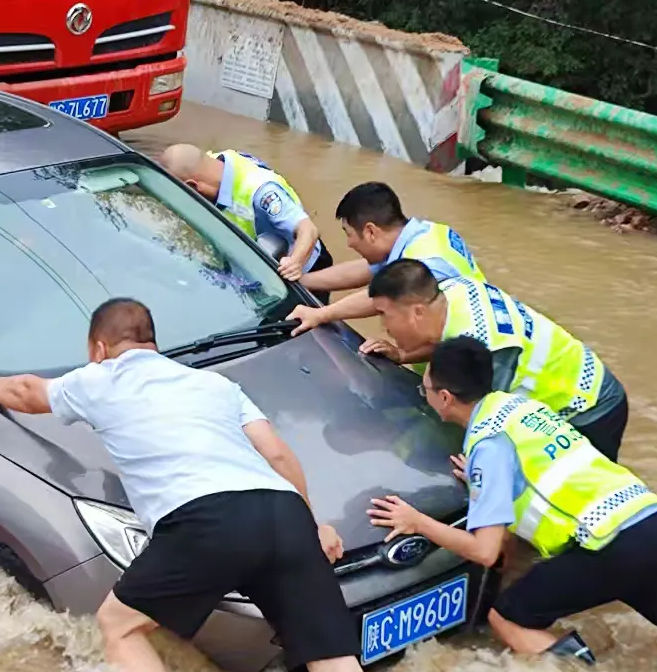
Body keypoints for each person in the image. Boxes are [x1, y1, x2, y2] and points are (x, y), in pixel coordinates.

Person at [0, 298, 398, 672]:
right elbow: (277, 453)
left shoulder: (101, 379)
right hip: (284, 511)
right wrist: (314, 525)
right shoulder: (215, 385)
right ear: (152, 343)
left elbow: (26, 392)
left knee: (119, 626)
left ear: (98, 349)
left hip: (206, 517)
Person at [368, 336, 657, 672]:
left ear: (445, 397)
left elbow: (485, 552)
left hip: (613, 547)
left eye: (426, 387)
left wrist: (416, 521)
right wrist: (484, 484)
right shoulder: (521, 407)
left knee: (507, 617)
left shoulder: (487, 446)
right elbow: (542, 470)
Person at [361, 259, 630, 460]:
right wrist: (403, 355)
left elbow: (488, 420)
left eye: (385, 314)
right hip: (582, 375)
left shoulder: (482, 346)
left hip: (588, 408)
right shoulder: (454, 291)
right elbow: (444, 342)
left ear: (417, 312)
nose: (384, 325)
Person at [290, 181, 483, 334]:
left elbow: (381, 298)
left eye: (349, 234)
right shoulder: (424, 234)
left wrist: (320, 314)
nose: (349, 244)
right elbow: (364, 271)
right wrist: (302, 281)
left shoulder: (424, 261)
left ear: (370, 232)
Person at [160, 144, 331, 281]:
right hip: (254, 261)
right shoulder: (213, 163)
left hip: (304, 267)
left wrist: (295, 263)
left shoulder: (262, 193)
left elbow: (308, 229)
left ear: (193, 186)